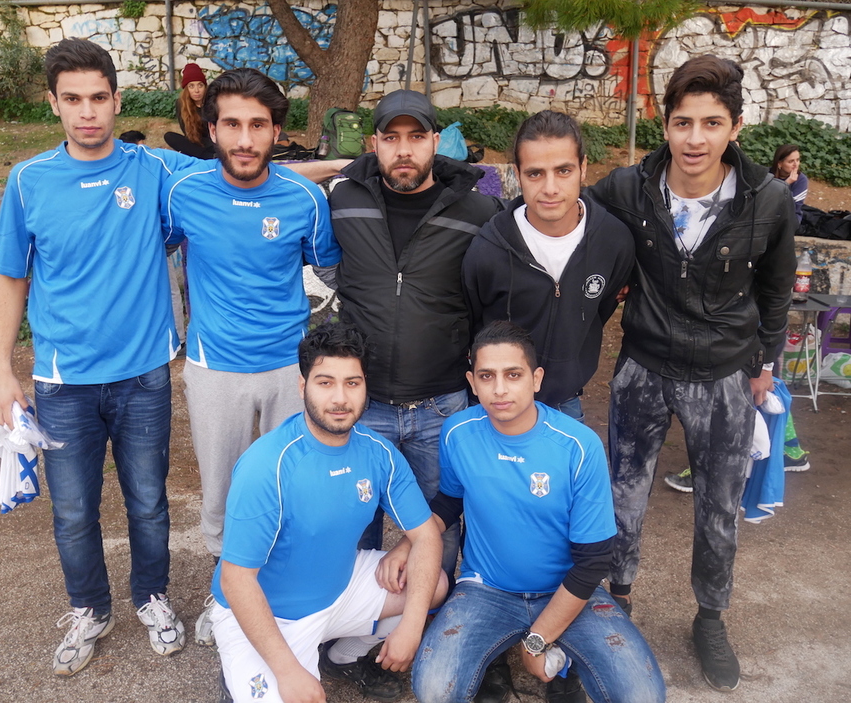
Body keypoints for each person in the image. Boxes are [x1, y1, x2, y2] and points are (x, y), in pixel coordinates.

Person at [588, 55, 796, 692]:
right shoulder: (629, 188)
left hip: (724, 373)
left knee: (719, 507)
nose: (696, 138)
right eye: (683, 122)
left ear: (735, 127)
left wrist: (763, 366)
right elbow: (562, 213)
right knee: (622, 498)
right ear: (666, 124)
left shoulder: (767, 200)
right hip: (644, 364)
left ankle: (710, 617)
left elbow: (778, 291)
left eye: (712, 123)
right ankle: (615, 602)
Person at [0, 37, 193, 676]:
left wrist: (342, 166)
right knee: (73, 509)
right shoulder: (28, 180)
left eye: (98, 98)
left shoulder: (154, 170)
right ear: (54, 104)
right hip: (61, 382)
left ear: (116, 99)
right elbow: (11, 278)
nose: (87, 112)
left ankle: (152, 597)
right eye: (72, 100)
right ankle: (90, 609)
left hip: (143, 376)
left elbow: (245, 172)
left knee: (148, 501)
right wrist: (0, 369)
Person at [386, 321, 664, 703]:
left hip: (566, 590)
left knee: (642, 696)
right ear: (472, 381)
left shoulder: (578, 445)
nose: (499, 389)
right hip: (485, 590)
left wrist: (536, 641)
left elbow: (593, 561)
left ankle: (558, 659)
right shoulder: (456, 432)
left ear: (536, 379)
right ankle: (512, 657)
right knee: (433, 689)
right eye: (487, 376)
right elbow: (449, 502)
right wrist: (408, 543)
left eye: (513, 375)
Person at [160, 67, 341, 646]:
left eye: (257, 125)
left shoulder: (305, 199)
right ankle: (224, 597)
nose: (244, 139)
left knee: (289, 487)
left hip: (291, 368)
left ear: (275, 132)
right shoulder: (182, 194)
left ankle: (281, 594)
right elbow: (154, 247)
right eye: (231, 124)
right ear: (211, 129)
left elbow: (330, 267)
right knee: (222, 495)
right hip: (214, 369)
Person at [210, 323, 447, 702]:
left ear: (365, 386)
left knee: (431, 585)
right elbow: (237, 580)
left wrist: (412, 628)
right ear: (302, 386)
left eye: (352, 383)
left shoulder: (378, 453)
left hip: (338, 589)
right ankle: (244, 668)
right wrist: (288, 673)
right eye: (325, 383)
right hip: (271, 616)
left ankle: (343, 655)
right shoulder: (266, 465)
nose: (340, 397)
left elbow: (426, 536)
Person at [329, 89, 504, 574]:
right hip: (365, 404)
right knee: (353, 524)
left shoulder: (477, 212)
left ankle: (433, 629)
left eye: (416, 137)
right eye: (391, 138)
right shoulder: (343, 199)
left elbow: (490, 297)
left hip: (439, 406)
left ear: (435, 142)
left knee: (437, 529)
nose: (404, 150)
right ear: (373, 143)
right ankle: (355, 627)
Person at [463, 110, 634, 421]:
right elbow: (473, 322)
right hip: (497, 409)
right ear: (517, 173)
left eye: (564, 171)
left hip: (566, 405)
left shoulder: (614, 240)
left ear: (583, 168)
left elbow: (601, 307)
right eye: (535, 173)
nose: (551, 188)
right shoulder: (487, 249)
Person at [164, 62, 216, 159]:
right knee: (169, 136)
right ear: (187, 89)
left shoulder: (213, 102)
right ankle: (208, 156)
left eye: (200, 85)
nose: (196, 90)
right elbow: (188, 133)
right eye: (191, 86)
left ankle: (208, 155)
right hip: (197, 144)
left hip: (216, 142)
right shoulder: (181, 104)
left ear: (205, 87)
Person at [770, 143, 808, 225]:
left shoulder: (801, 180)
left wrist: (786, 185)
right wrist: (785, 183)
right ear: (780, 164)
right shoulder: (768, 175)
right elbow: (765, 202)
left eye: (797, 160)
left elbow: (791, 207)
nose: (796, 164)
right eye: (791, 161)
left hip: (790, 218)